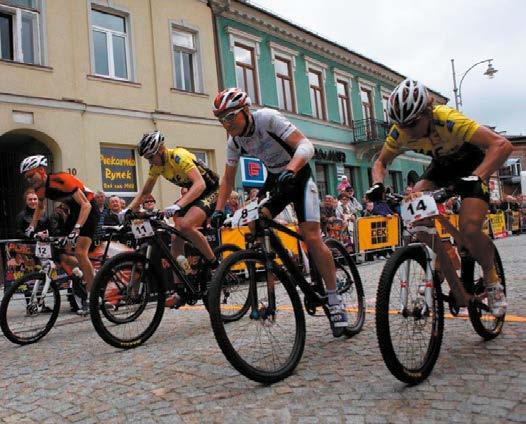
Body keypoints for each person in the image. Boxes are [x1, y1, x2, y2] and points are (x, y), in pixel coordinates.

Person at [209, 87, 347, 337]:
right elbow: (227, 181)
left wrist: (292, 168)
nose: (226, 124)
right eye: (221, 119)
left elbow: (306, 146)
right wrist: (218, 210)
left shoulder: (268, 119)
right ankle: (271, 292)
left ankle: (335, 299)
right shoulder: (234, 142)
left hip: (299, 175)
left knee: (312, 237)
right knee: (255, 225)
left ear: (246, 111)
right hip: (275, 181)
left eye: (230, 117)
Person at [368, 78, 512, 317]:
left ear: (427, 111)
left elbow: (502, 145)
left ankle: (491, 276)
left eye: (413, 123)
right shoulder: (400, 132)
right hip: (441, 167)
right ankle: (442, 267)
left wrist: (478, 178)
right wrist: (377, 184)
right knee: (415, 203)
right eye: (402, 125)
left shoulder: (448, 119)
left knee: (469, 227)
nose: (408, 131)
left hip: (471, 165)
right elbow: (381, 162)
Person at [125, 130, 220, 308]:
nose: (150, 161)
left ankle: (215, 265)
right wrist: (128, 210)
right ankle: (182, 286)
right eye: (147, 158)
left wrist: (179, 204)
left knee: (184, 224)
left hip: (210, 190)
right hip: (194, 193)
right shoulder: (157, 166)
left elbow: (200, 184)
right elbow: (145, 193)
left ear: (161, 149)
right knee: (175, 239)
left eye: (151, 156)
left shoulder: (179, 157)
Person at [20, 155, 100, 312]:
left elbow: (86, 205)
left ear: (42, 171)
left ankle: (94, 298)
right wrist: (31, 227)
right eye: (26, 178)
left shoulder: (62, 179)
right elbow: (40, 207)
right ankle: (90, 271)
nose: (29, 180)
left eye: (31, 175)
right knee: (62, 253)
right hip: (73, 212)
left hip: (88, 209)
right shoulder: (39, 188)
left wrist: (77, 229)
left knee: (80, 252)